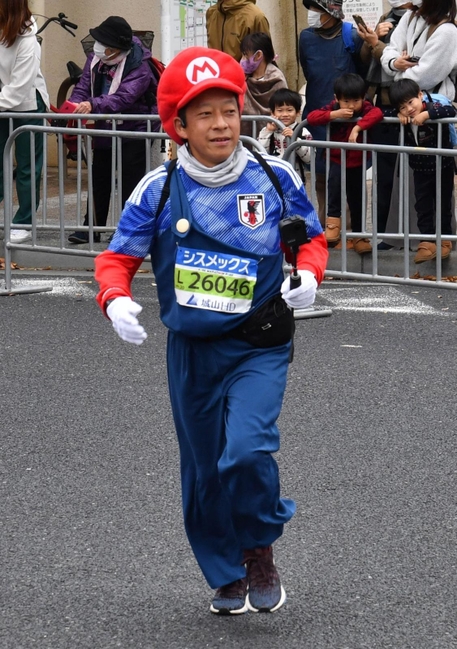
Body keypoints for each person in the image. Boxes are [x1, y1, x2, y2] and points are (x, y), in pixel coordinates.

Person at [94, 46, 328, 615]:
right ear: (179, 125)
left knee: (245, 451)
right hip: (193, 350)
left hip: (258, 344)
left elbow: (310, 238)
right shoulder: (157, 188)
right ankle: (226, 573)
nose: (222, 124)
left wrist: (308, 273)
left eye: (229, 111)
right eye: (205, 115)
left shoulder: (274, 175)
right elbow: (117, 258)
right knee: (204, 471)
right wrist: (114, 299)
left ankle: (258, 546)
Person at [67, 16, 155, 244]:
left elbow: (123, 98)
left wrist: (92, 105)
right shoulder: (96, 58)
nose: (98, 46)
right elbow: (83, 86)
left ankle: (127, 229)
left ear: (117, 49)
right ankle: (91, 228)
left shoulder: (140, 66)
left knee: (130, 182)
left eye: (104, 43)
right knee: (99, 176)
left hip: (135, 128)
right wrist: (73, 106)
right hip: (105, 125)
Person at [299, 0, 365, 226]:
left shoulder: (352, 37)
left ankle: (351, 228)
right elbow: (309, 72)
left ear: (331, 11)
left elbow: (362, 78)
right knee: (320, 175)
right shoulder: (305, 38)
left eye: (317, 9)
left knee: (349, 178)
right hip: (317, 118)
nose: (311, 13)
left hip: (346, 124)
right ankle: (325, 224)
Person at [356, 1, 417, 241]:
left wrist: (377, 44)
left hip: (411, 106)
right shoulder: (386, 16)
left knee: (415, 179)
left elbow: (406, 63)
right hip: (383, 106)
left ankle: (421, 236)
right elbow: (365, 60)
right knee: (385, 177)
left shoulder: (422, 19)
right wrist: (371, 40)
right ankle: (385, 235)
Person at [307, 73, 384, 255]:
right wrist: (333, 115)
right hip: (336, 159)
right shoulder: (333, 107)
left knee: (357, 198)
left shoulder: (366, 108)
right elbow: (311, 117)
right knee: (333, 191)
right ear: (337, 99)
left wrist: (358, 127)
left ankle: (359, 236)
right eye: (346, 101)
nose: (351, 106)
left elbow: (378, 113)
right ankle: (332, 225)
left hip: (357, 162)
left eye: (356, 100)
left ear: (363, 98)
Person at [388, 79, 455, 264]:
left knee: (443, 205)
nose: (409, 109)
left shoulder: (434, 107)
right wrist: (397, 115)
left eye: (411, 102)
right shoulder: (404, 117)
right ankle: (427, 242)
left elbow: (451, 110)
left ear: (420, 95)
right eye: (402, 107)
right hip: (419, 169)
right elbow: (384, 118)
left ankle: (445, 240)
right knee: (422, 205)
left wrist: (427, 114)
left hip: (443, 167)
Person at [0, 0, 49, 244]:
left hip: (28, 104)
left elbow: (19, 87)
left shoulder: (28, 39)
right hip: (2, 102)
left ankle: (24, 222)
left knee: (28, 166)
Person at [381, 0, 457, 102]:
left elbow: (424, 77)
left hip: (433, 104)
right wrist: (394, 63)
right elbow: (391, 49)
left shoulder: (447, 31)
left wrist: (396, 76)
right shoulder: (410, 16)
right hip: (404, 102)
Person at [257, 88, 312, 184]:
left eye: (289, 110)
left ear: (298, 112)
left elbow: (310, 158)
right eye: (280, 110)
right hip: (273, 178)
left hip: (295, 179)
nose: (285, 114)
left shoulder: (302, 131)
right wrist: (268, 132)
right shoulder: (267, 130)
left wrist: (295, 140)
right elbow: (260, 153)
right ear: (272, 113)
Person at [240, 32, 287, 138]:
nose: (242, 59)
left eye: (245, 55)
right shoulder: (242, 78)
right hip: (245, 138)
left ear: (258, 55)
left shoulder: (276, 80)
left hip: (271, 138)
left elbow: (282, 109)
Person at [206, 0, 271, 62]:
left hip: (240, 70)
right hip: (214, 69)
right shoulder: (211, 13)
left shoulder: (255, 17)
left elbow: (265, 61)